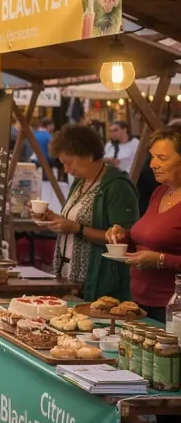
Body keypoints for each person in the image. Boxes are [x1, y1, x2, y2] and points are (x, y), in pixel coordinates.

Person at [106, 126, 181, 423]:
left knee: (169, 396)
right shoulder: (158, 193)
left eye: (162, 157)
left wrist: (161, 260)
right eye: (152, 156)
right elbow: (145, 237)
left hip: (173, 312)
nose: (153, 163)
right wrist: (124, 236)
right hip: (143, 306)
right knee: (153, 393)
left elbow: (163, 252)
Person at [44, 124, 138, 301]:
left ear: (87, 155)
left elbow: (125, 238)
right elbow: (75, 220)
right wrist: (53, 218)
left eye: (69, 163)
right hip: (69, 277)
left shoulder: (117, 186)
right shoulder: (80, 181)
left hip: (99, 283)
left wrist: (78, 229)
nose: (66, 170)